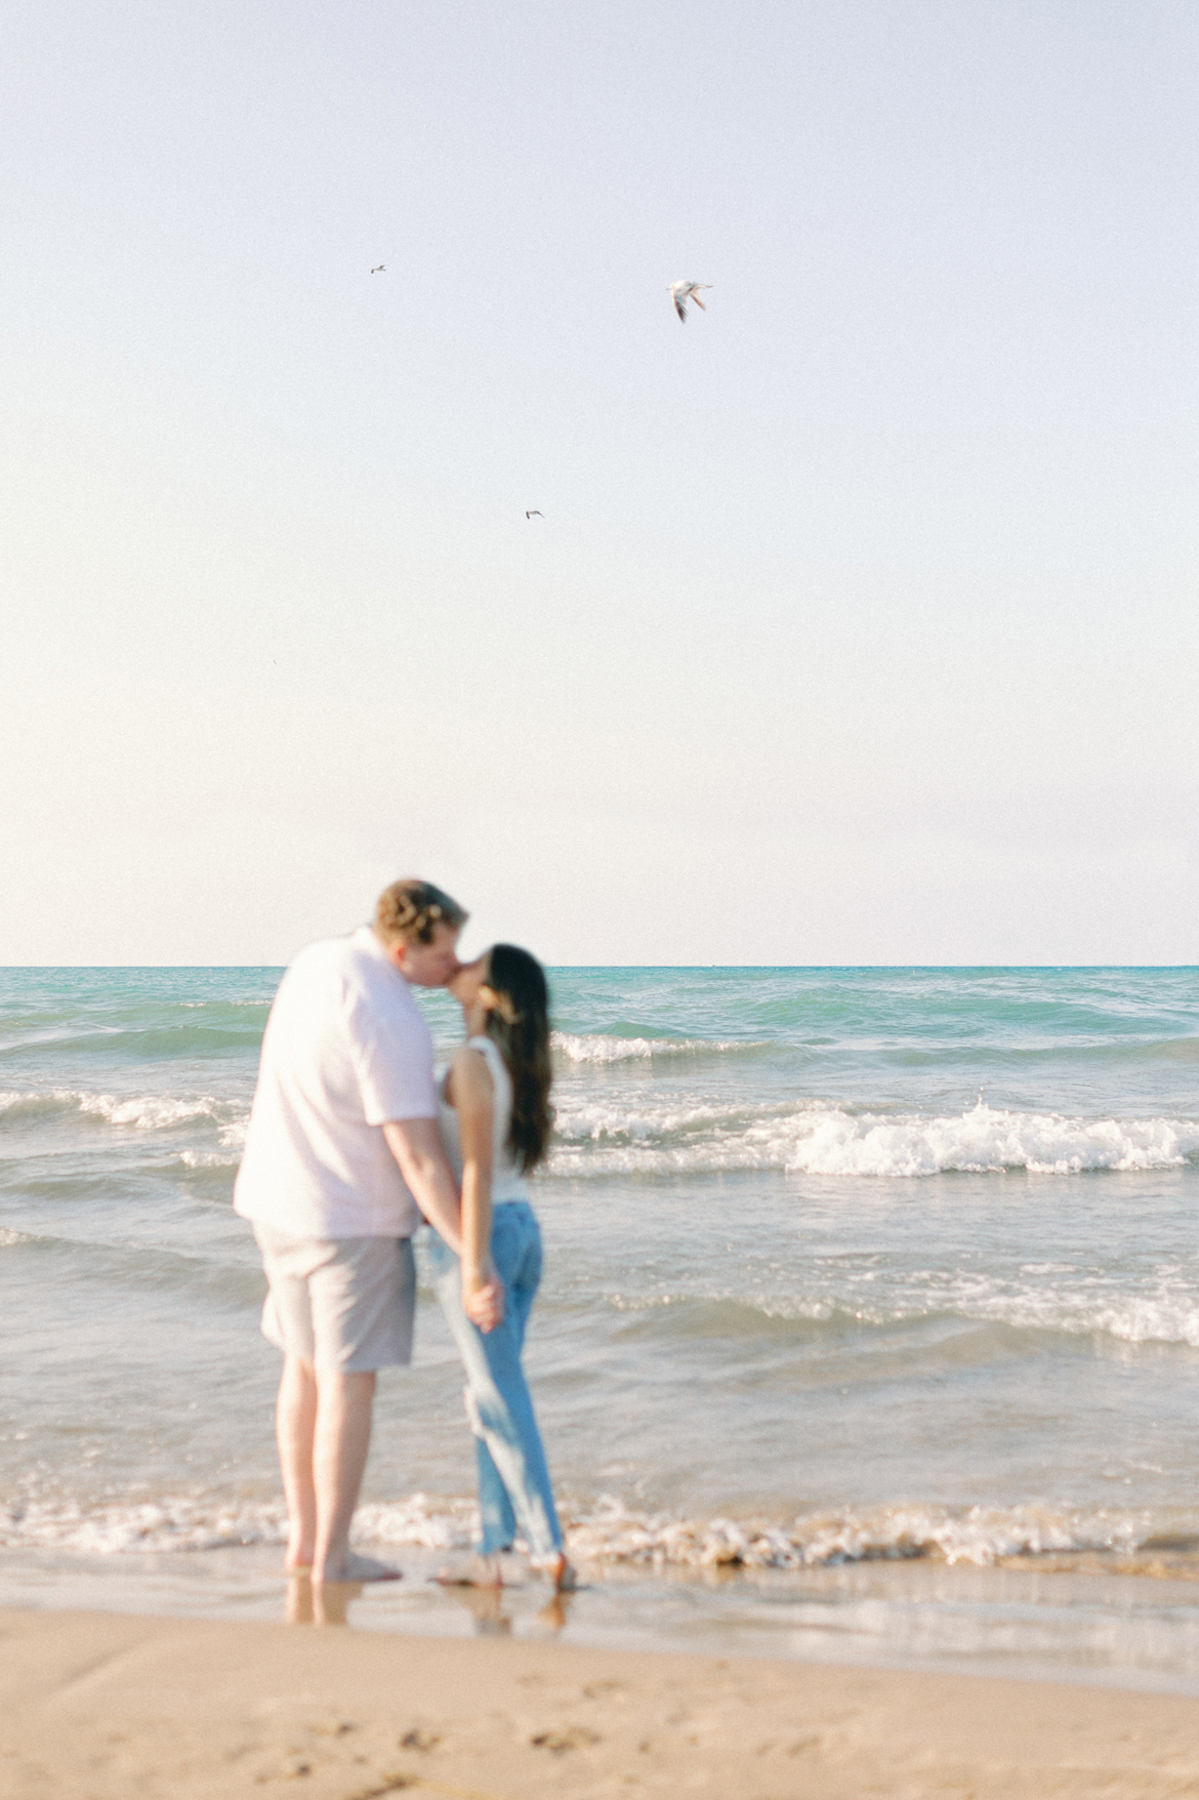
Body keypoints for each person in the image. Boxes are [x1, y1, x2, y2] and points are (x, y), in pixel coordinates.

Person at [233, 879, 500, 1585]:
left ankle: (303, 1542)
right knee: (348, 1387)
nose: (454, 963)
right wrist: (474, 1258)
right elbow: (417, 1156)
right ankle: (334, 1557)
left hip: (277, 1204)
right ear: (404, 949)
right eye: (443, 953)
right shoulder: (389, 1011)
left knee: (302, 1369)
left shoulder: (316, 963)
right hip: (349, 1222)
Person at [430, 943, 577, 1592]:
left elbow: (476, 1172)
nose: (459, 963)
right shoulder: (511, 1062)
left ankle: (548, 1548)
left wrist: (471, 1266)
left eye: (475, 964)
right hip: (520, 1230)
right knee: (488, 1396)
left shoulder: (473, 1061)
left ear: (489, 996)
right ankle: (491, 1552)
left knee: (498, 1396)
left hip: (482, 1235)